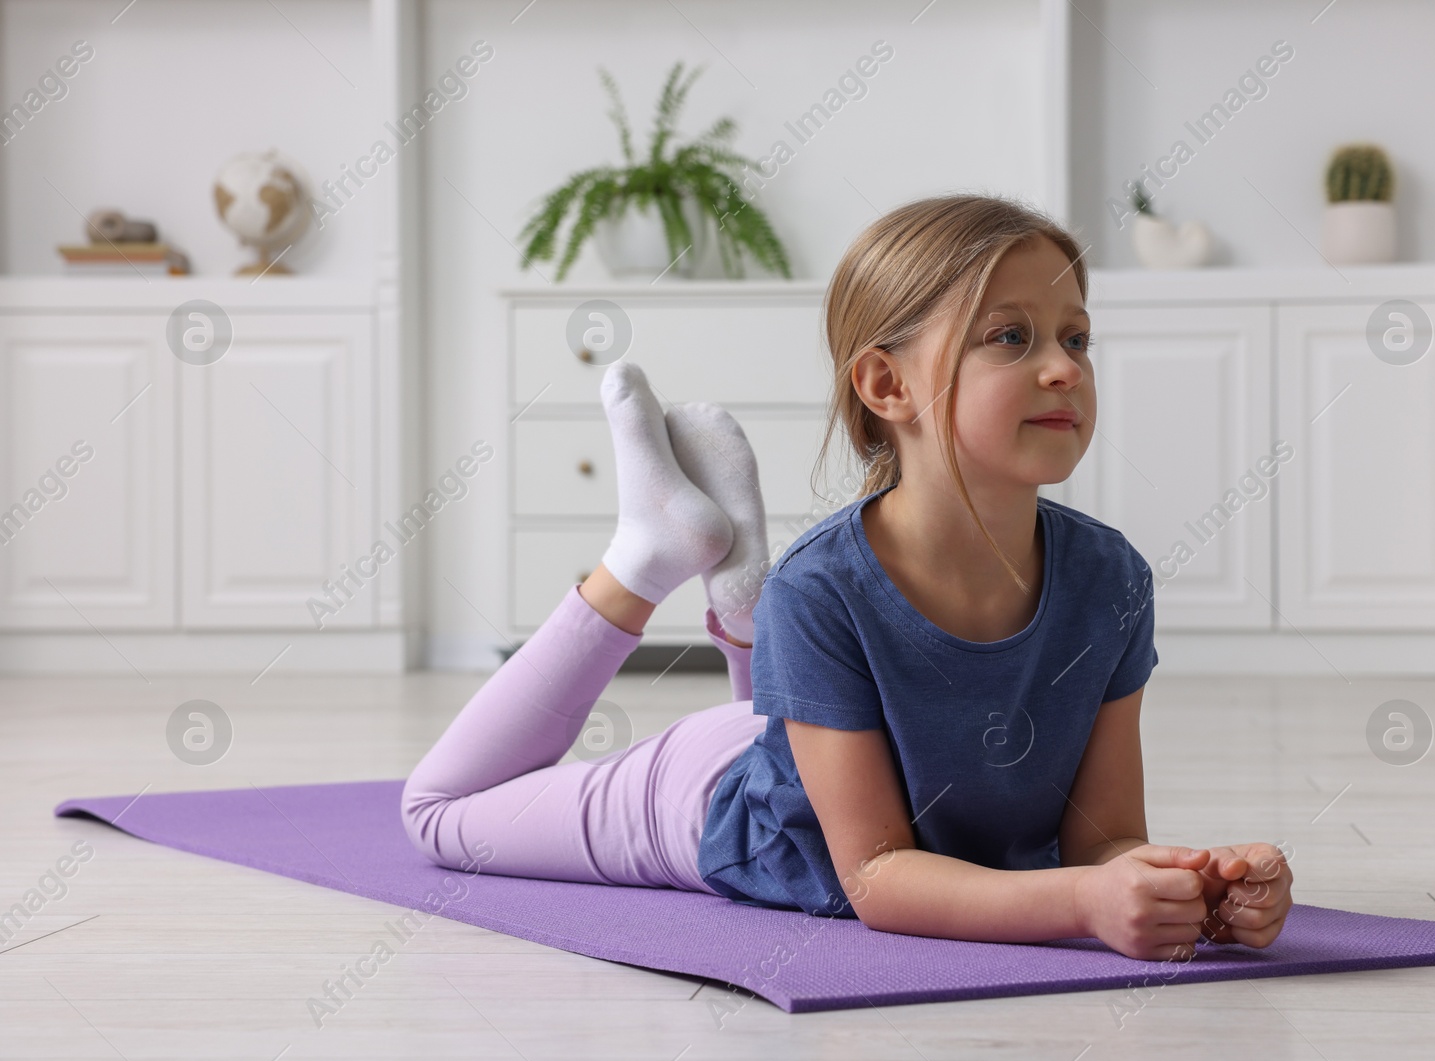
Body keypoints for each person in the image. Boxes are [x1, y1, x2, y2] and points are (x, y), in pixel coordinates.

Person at [401, 193, 1292, 962]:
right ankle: (647, 552)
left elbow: (1101, 842)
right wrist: (1079, 905)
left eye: (1076, 337)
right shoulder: (823, 591)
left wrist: (1190, 882)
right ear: (885, 384)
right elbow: (872, 874)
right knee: (439, 812)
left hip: (811, 735)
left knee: (789, 674)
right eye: (1010, 337)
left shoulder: (1112, 579)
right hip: (723, 800)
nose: (1063, 365)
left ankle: (743, 615)